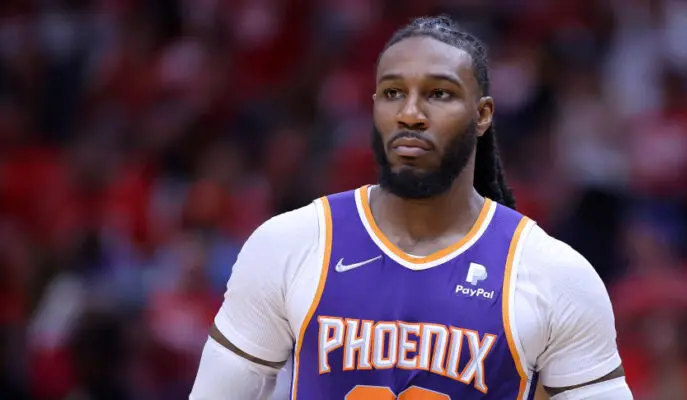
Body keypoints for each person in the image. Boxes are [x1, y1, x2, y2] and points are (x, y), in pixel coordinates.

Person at [190, 15, 631, 400]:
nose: (411, 113)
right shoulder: (290, 244)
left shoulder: (553, 274)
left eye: (438, 94)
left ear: (483, 115)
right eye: (392, 92)